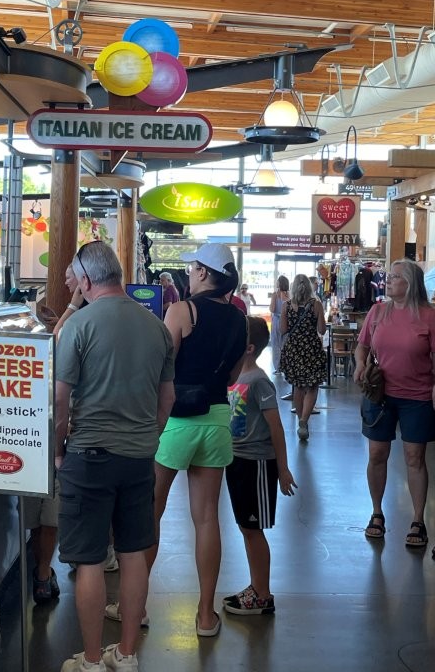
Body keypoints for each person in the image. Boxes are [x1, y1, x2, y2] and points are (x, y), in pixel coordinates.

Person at [55, 241, 175, 672]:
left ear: (86, 281)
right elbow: (167, 399)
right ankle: (126, 654)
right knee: (133, 553)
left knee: (89, 560)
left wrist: (58, 452)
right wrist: (148, 438)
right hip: (139, 458)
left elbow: (60, 401)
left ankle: (90, 660)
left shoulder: (79, 325)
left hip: (89, 455)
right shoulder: (156, 327)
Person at [129, 243, 247, 638]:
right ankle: (205, 615)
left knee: (151, 512)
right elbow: (233, 376)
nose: (189, 274)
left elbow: (160, 366)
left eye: (193, 267)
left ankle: (135, 608)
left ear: (203, 273)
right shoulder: (240, 318)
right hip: (216, 420)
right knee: (207, 517)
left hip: (177, 421)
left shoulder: (182, 311)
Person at [354, 259, 435, 547]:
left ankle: (418, 520)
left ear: (410, 284)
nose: (387, 280)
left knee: (415, 457)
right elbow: (362, 346)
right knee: (377, 454)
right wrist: (360, 364)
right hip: (380, 395)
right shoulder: (377, 312)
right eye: (389, 276)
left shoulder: (429, 316)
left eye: (395, 277)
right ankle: (377, 513)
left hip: (417, 396)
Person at [223, 317, 297, 615]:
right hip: (236, 460)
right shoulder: (234, 376)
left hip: (257, 463)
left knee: (253, 529)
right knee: (246, 526)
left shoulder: (259, 381)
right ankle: (256, 587)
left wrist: (283, 469)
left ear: (249, 348)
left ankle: (263, 594)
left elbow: (275, 426)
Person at [279, 274, 326, 441]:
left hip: (293, 350)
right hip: (312, 349)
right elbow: (322, 330)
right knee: (312, 387)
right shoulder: (316, 304)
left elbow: (283, 330)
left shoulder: (286, 306)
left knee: (298, 387)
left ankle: (300, 420)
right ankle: (304, 420)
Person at [269, 275, 289, 374]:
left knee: (276, 344)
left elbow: (272, 309)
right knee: (285, 344)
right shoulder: (289, 295)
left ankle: (278, 367)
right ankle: (286, 366)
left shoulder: (275, 295)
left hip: (277, 320)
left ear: (279, 283)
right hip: (287, 321)